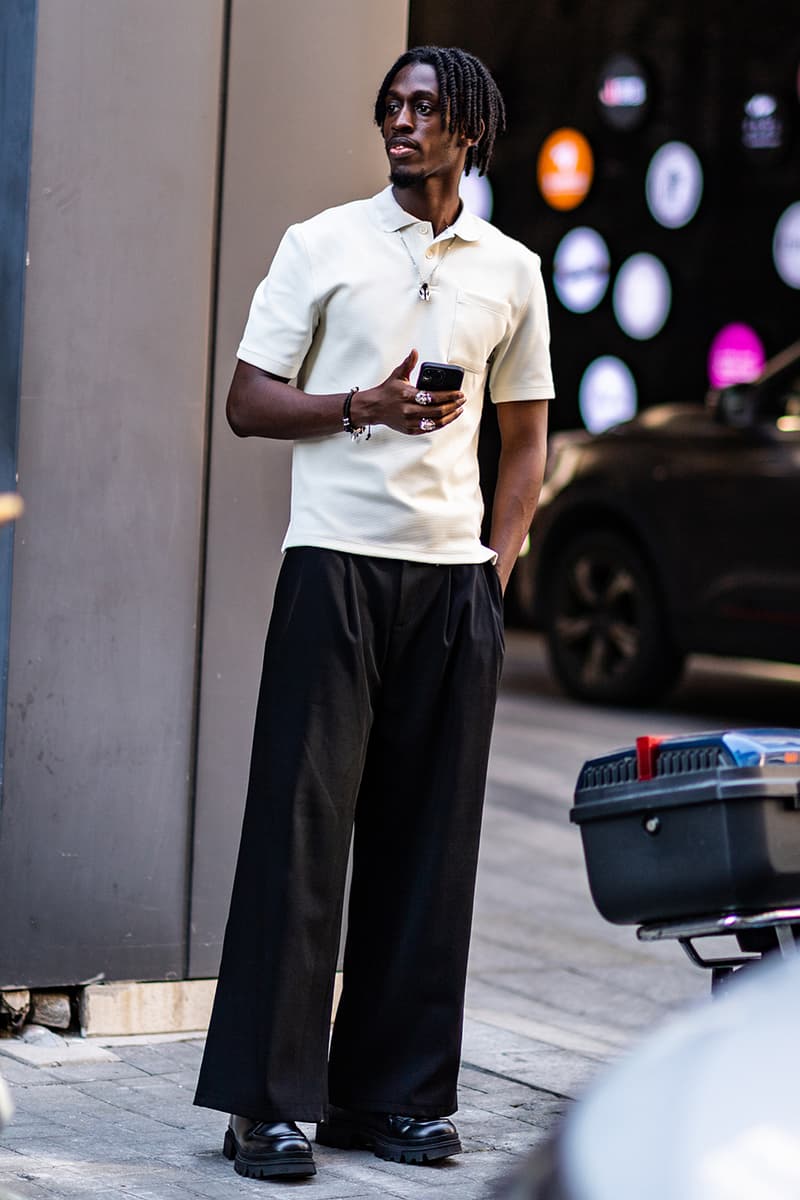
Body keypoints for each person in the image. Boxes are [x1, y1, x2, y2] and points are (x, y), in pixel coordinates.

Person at [193, 44, 554, 1182]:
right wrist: (360, 406)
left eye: (425, 108)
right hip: (334, 570)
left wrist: (494, 573)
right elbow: (248, 402)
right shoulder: (321, 244)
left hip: (449, 588)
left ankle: (389, 1101)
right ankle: (267, 1106)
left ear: (469, 129)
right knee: (299, 842)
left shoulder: (509, 268)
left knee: (427, 850)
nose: (402, 123)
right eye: (391, 107)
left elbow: (526, 434)